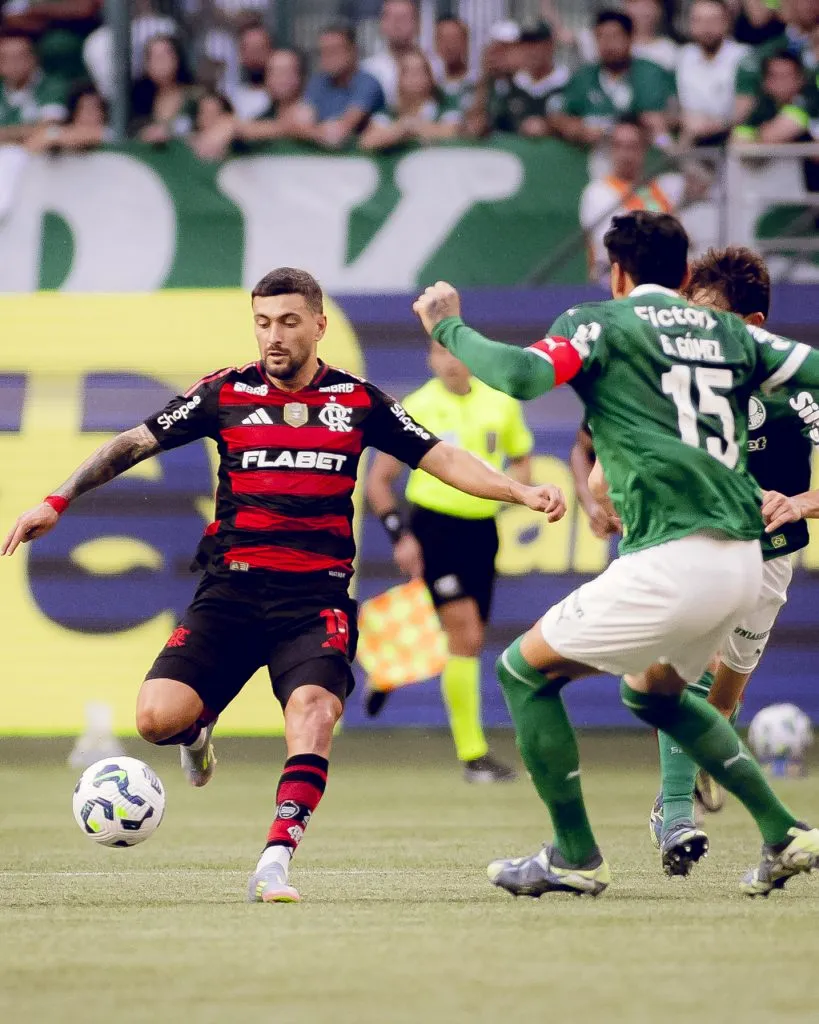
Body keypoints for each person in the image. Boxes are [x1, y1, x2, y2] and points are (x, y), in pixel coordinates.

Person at [1, 267, 567, 905]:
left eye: (289, 322)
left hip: (314, 600)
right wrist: (58, 499)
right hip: (231, 592)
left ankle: (275, 859)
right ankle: (197, 733)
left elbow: (442, 457)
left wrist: (519, 489)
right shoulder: (226, 391)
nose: (274, 336)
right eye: (264, 322)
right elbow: (135, 442)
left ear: (319, 326)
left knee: (314, 714)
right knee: (157, 720)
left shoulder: (357, 401)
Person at [412, 210, 819, 899]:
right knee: (656, 692)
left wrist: (448, 326)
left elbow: (518, 374)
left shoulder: (599, 322)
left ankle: (573, 854)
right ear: (684, 275)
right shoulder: (730, 333)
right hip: (741, 560)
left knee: (522, 673)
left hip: (672, 554)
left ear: (617, 273)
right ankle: (783, 834)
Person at [648, 245, 819, 867]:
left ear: (751, 327)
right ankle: (673, 816)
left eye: (709, 316)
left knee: (723, 694)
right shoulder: (678, 381)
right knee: (683, 670)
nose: (694, 328)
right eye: (688, 312)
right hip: (703, 540)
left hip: (773, 554)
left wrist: (801, 502)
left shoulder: (795, 386)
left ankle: (699, 761)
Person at [365, 340, 534, 782]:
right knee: (467, 634)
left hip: (482, 530)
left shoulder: (501, 404)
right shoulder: (416, 406)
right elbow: (379, 481)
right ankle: (473, 755)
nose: (452, 362)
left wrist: (510, 488)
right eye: (441, 353)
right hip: (433, 528)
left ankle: (389, 669)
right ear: (431, 360)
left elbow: (522, 465)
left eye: (457, 352)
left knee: (464, 637)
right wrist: (400, 536)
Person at [579, 118, 686, 283]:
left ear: (644, 149)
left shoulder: (663, 188)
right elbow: (612, 245)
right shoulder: (598, 192)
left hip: (661, 284)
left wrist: (664, 140)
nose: (625, 154)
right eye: (618, 146)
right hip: (614, 283)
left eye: (632, 146)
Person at [552, 9, 676, 150]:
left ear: (630, 38)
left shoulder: (651, 73)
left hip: (643, 157)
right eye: (600, 37)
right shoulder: (583, 76)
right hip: (589, 157)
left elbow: (668, 118)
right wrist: (575, 128)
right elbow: (559, 116)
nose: (607, 44)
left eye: (614, 36)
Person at [676, 0, 756, 148]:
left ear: (726, 22)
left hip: (731, 136)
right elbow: (671, 104)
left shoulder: (743, 56)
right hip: (691, 137)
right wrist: (683, 119)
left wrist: (716, 124)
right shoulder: (681, 57)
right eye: (699, 20)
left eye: (713, 20)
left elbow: (747, 106)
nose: (706, 27)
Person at [298, 23, 385, 149]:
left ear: (353, 51)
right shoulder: (318, 82)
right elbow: (299, 124)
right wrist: (320, 132)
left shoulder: (368, 83)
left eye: (334, 50)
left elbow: (341, 131)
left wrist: (312, 131)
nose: (327, 57)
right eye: (323, 51)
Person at [359, 49, 461, 150]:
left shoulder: (445, 107)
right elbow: (367, 141)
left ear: (430, 77)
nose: (414, 77)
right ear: (399, 78)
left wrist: (414, 127)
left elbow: (453, 132)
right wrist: (401, 129)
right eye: (407, 72)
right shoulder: (389, 112)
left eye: (419, 71)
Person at [489, 21, 569, 138]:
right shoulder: (512, 86)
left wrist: (550, 126)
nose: (532, 51)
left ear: (551, 45)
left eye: (538, 44)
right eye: (527, 44)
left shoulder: (568, 83)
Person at [129, 35, 198, 143]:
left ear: (177, 58)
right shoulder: (137, 102)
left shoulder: (195, 97)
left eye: (166, 54)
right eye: (154, 57)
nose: (161, 61)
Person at [0, 31, 66, 143]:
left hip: (39, 155)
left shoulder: (52, 87)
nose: (13, 64)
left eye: (18, 57)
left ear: (33, 58)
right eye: (5, 58)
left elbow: (49, 128)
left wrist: (6, 133)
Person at [234, 48, 309, 145]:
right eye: (273, 72)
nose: (279, 78)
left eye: (286, 71)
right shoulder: (263, 115)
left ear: (300, 76)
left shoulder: (315, 112)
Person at [733, 51, 813, 142]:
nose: (780, 83)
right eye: (774, 76)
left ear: (800, 79)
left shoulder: (810, 101)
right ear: (764, 82)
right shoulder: (761, 107)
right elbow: (737, 141)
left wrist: (757, 137)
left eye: (785, 76)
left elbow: (770, 137)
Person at [363, 0, 419, 108]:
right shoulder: (368, 70)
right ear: (382, 23)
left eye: (403, 18)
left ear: (416, 23)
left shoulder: (435, 66)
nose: (397, 24)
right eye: (392, 18)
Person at [229, 21, 274, 120]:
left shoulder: (284, 99)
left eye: (259, 49)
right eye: (249, 50)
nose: (254, 57)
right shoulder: (229, 97)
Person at [431, 15, 475, 113]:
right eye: (443, 39)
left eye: (454, 39)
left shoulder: (478, 85)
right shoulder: (429, 86)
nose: (449, 45)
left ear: (466, 42)